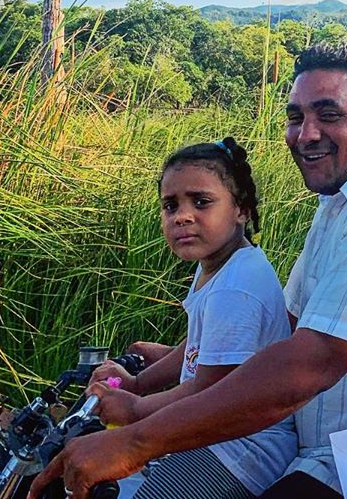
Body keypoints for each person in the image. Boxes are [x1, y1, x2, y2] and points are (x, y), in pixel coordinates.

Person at [30, 44, 347, 499]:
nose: (307, 134)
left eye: (329, 114)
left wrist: (135, 439)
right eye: (296, 117)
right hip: (327, 440)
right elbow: (289, 324)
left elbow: (308, 365)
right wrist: (179, 358)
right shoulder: (345, 195)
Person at [84, 139, 296, 499]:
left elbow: (209, 390)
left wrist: (136, 408)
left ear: (241, 210)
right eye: (171, 206)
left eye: (201, 202)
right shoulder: (220, 266)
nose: (182, 216)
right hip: (216, 436)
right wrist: (139, 382)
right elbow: (199, 347)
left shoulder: (236, 288)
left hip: (241, 452)